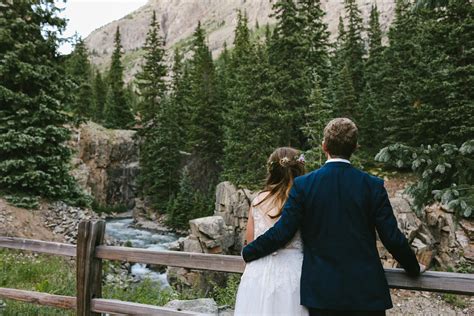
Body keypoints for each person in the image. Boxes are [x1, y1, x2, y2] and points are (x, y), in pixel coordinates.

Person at [242, 118, 424, 316]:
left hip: (322, 295)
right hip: (366, 294)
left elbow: (283, 231)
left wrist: (249, 252)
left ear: (324, 146)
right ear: (355, 147)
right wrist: (413, 267)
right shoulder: (373, 186)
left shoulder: (304, 185)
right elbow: (391, 237)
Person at [234, 147, 308, 316]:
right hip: (293, 273)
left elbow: (250, 241)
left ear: (272, 170)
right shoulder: (303, 200)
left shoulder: (258, 200)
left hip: (257, 273)